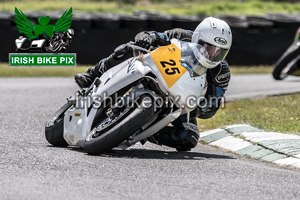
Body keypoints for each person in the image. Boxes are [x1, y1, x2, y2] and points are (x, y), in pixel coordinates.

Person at [75, 17, 232, 151]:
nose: (212, 54)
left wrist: (199, 105)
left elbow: (212, 105)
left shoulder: (221, 72)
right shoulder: (182, 35)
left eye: (220, 51)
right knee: (130, 47)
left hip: (180, 98)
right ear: (197, 38)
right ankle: (93, 74)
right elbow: (153, 36)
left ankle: (141, 129)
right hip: (155, 72)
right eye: (209, 47)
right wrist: (147, 38)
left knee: (188, 137)